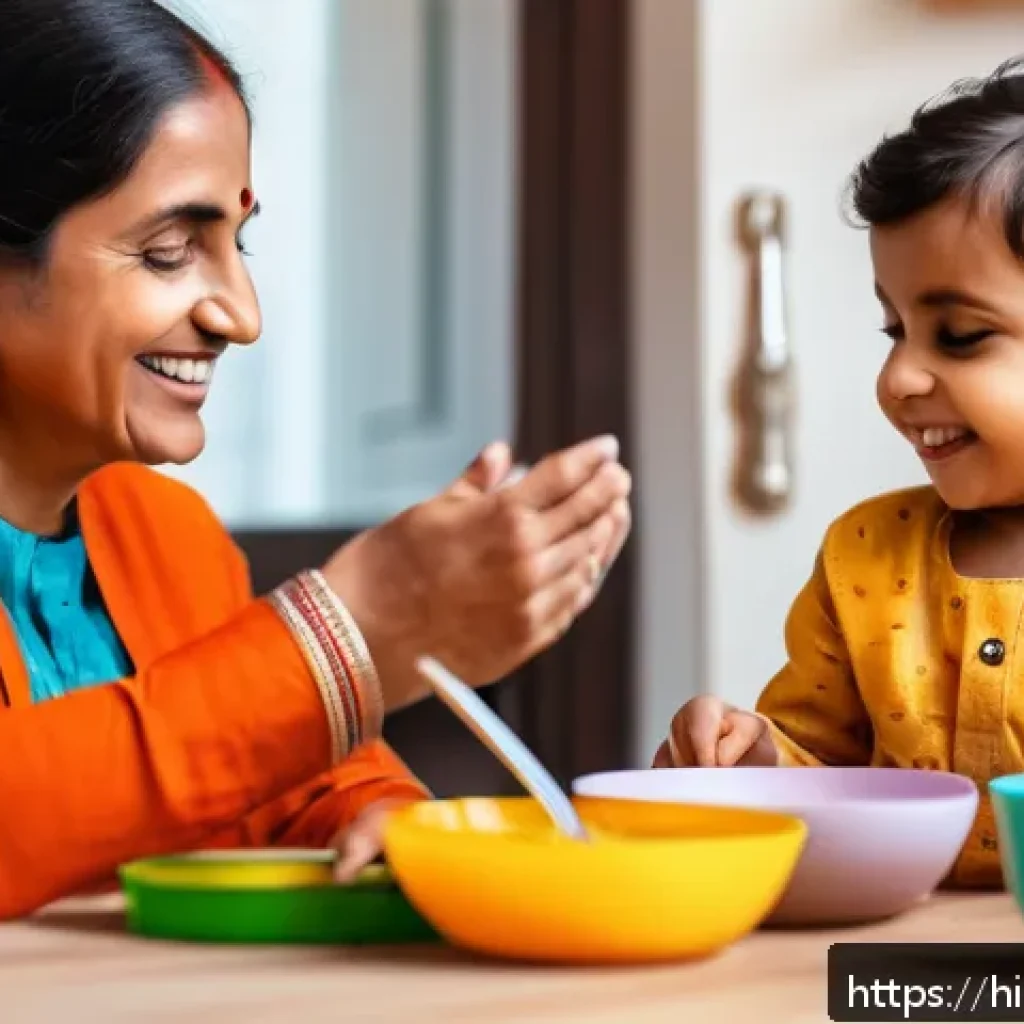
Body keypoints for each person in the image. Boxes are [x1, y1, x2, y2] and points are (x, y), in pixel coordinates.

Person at [0, 0, 632, 919]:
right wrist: (348, 635)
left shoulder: (166, 532)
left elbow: (296, 781)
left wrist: (378, 817)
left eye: (236, 242)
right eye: (172, 251)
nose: (242, 316)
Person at [654, 56, 1024, 889]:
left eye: (959, 335)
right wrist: (754, 760)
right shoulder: (866, 557)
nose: (899, 379)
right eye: (894, 329)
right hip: (895, 980)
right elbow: (820, 770)